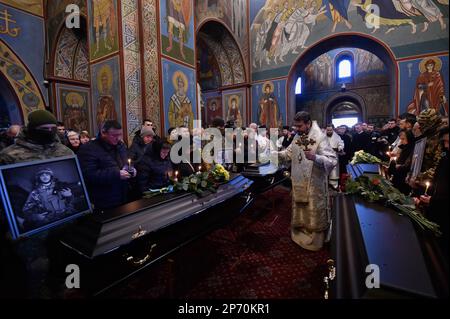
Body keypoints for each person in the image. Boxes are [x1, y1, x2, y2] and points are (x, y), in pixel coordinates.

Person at [277, 112, 337, 251]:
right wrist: (272, 154)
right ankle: (300, 231)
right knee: (301, 208)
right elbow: (288, 153)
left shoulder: (320, 138)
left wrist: (315, 157)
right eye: (295, 125)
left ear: (308, 123)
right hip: (298, 179)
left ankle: (315, 240)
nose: (297, 128)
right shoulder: (297, 136)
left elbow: (333, 160)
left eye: (300, 125)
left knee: (313, 209)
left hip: (314, 182)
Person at [77, 120, 135, 210]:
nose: (118, 138)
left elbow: (127, 162)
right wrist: (116, 174)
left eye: (120, 134)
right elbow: (89, 174)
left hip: (123, 195)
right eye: (114, 135)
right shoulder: (89, 149)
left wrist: (131, 168)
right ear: (103, 133)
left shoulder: (120, 146)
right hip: (103, 200)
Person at [416, 127, 448, 257]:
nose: (446, 146)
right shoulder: (445, 157)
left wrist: (433, 200)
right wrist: (430, 195)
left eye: (448, 142)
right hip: (439, 207)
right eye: (444, 142)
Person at [0, 110, 73, 165]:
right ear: (32, 128)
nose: (49, 131)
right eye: (45, 128)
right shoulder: (9, 154)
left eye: (53, 128)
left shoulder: (66, 151)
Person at [390, 130, 415, 195]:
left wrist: (399, 166)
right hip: (398, 173)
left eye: (403, 139)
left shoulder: (411, 148)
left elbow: (409, 163)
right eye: (400, 139)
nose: (401, 141)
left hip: (404, 176)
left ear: (409, 138)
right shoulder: (404, 146)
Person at [325, 124, 344, 190]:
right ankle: (325, 185)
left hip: (333, 156)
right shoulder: (322, 136)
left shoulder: (337, 136)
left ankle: (334, 186)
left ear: (333, 129)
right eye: (328, 130)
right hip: (324, 156)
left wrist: (340, 148)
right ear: (326, 130)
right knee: (324, 171)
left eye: (330, 130)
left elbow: (341, 143)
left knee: (334, 172)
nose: (329, 131)